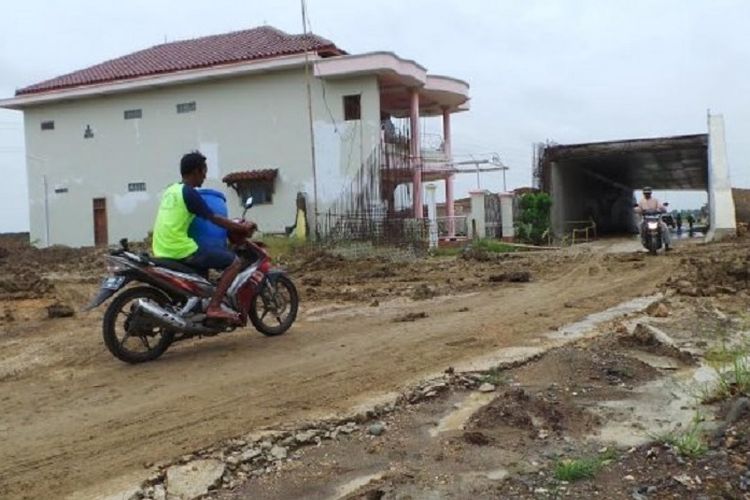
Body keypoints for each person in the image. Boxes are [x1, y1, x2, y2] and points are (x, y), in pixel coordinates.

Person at [152, 151, 254, 323]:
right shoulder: (189, 193)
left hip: (161, 249)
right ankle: (215, 306)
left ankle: (195, 305)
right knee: (234, 262)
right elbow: (214, 218)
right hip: (181, 249)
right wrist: (240, 227)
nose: (205, 176)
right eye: (204, 171)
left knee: (204, 267)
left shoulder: (170, 190)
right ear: (196, 171)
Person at [634, 186, 671, 251]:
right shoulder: (641, 201)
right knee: (640, 226)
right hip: (646, 220)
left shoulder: (655, 200)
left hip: (656, 219)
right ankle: (643, 240)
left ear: (651, 193)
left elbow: (660, 206)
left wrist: (661, 209)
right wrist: (637, 210)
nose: (647, 194)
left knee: (664, 227)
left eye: (648, 193)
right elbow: (639, 208)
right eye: (645, 193)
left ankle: (667, 245)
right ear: (643, 193)